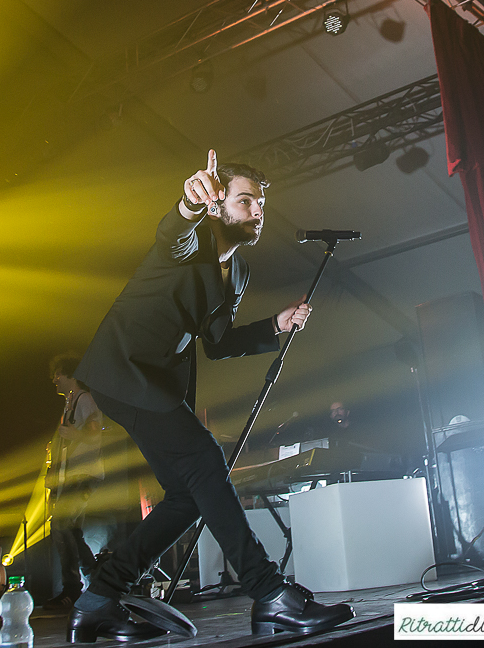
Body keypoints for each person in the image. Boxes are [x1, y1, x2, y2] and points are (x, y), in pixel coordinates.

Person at [67, 150, 354, 642]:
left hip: (155, 384)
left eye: (261, 204)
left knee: (186, 496)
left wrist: (274, 325)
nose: (257, 211)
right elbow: (171, 235)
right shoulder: (190, 240)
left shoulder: (238, 272)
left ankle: (98, 600)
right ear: (219, 204)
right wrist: (187, 203)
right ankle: (269, 593)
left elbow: (217, 344)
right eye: (246, 201)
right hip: (123, 373)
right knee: (204, 458)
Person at [44, 353, 105, 610]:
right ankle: (96, 581)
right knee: (68, 529)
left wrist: (74, 434)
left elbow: (96, 436)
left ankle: (75, 587)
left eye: (58, 373)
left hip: (84, 474)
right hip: (73, 476)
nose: (54, 379)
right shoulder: (70, 404)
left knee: (62, 525)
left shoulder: (85, 400)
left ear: (71, 374)